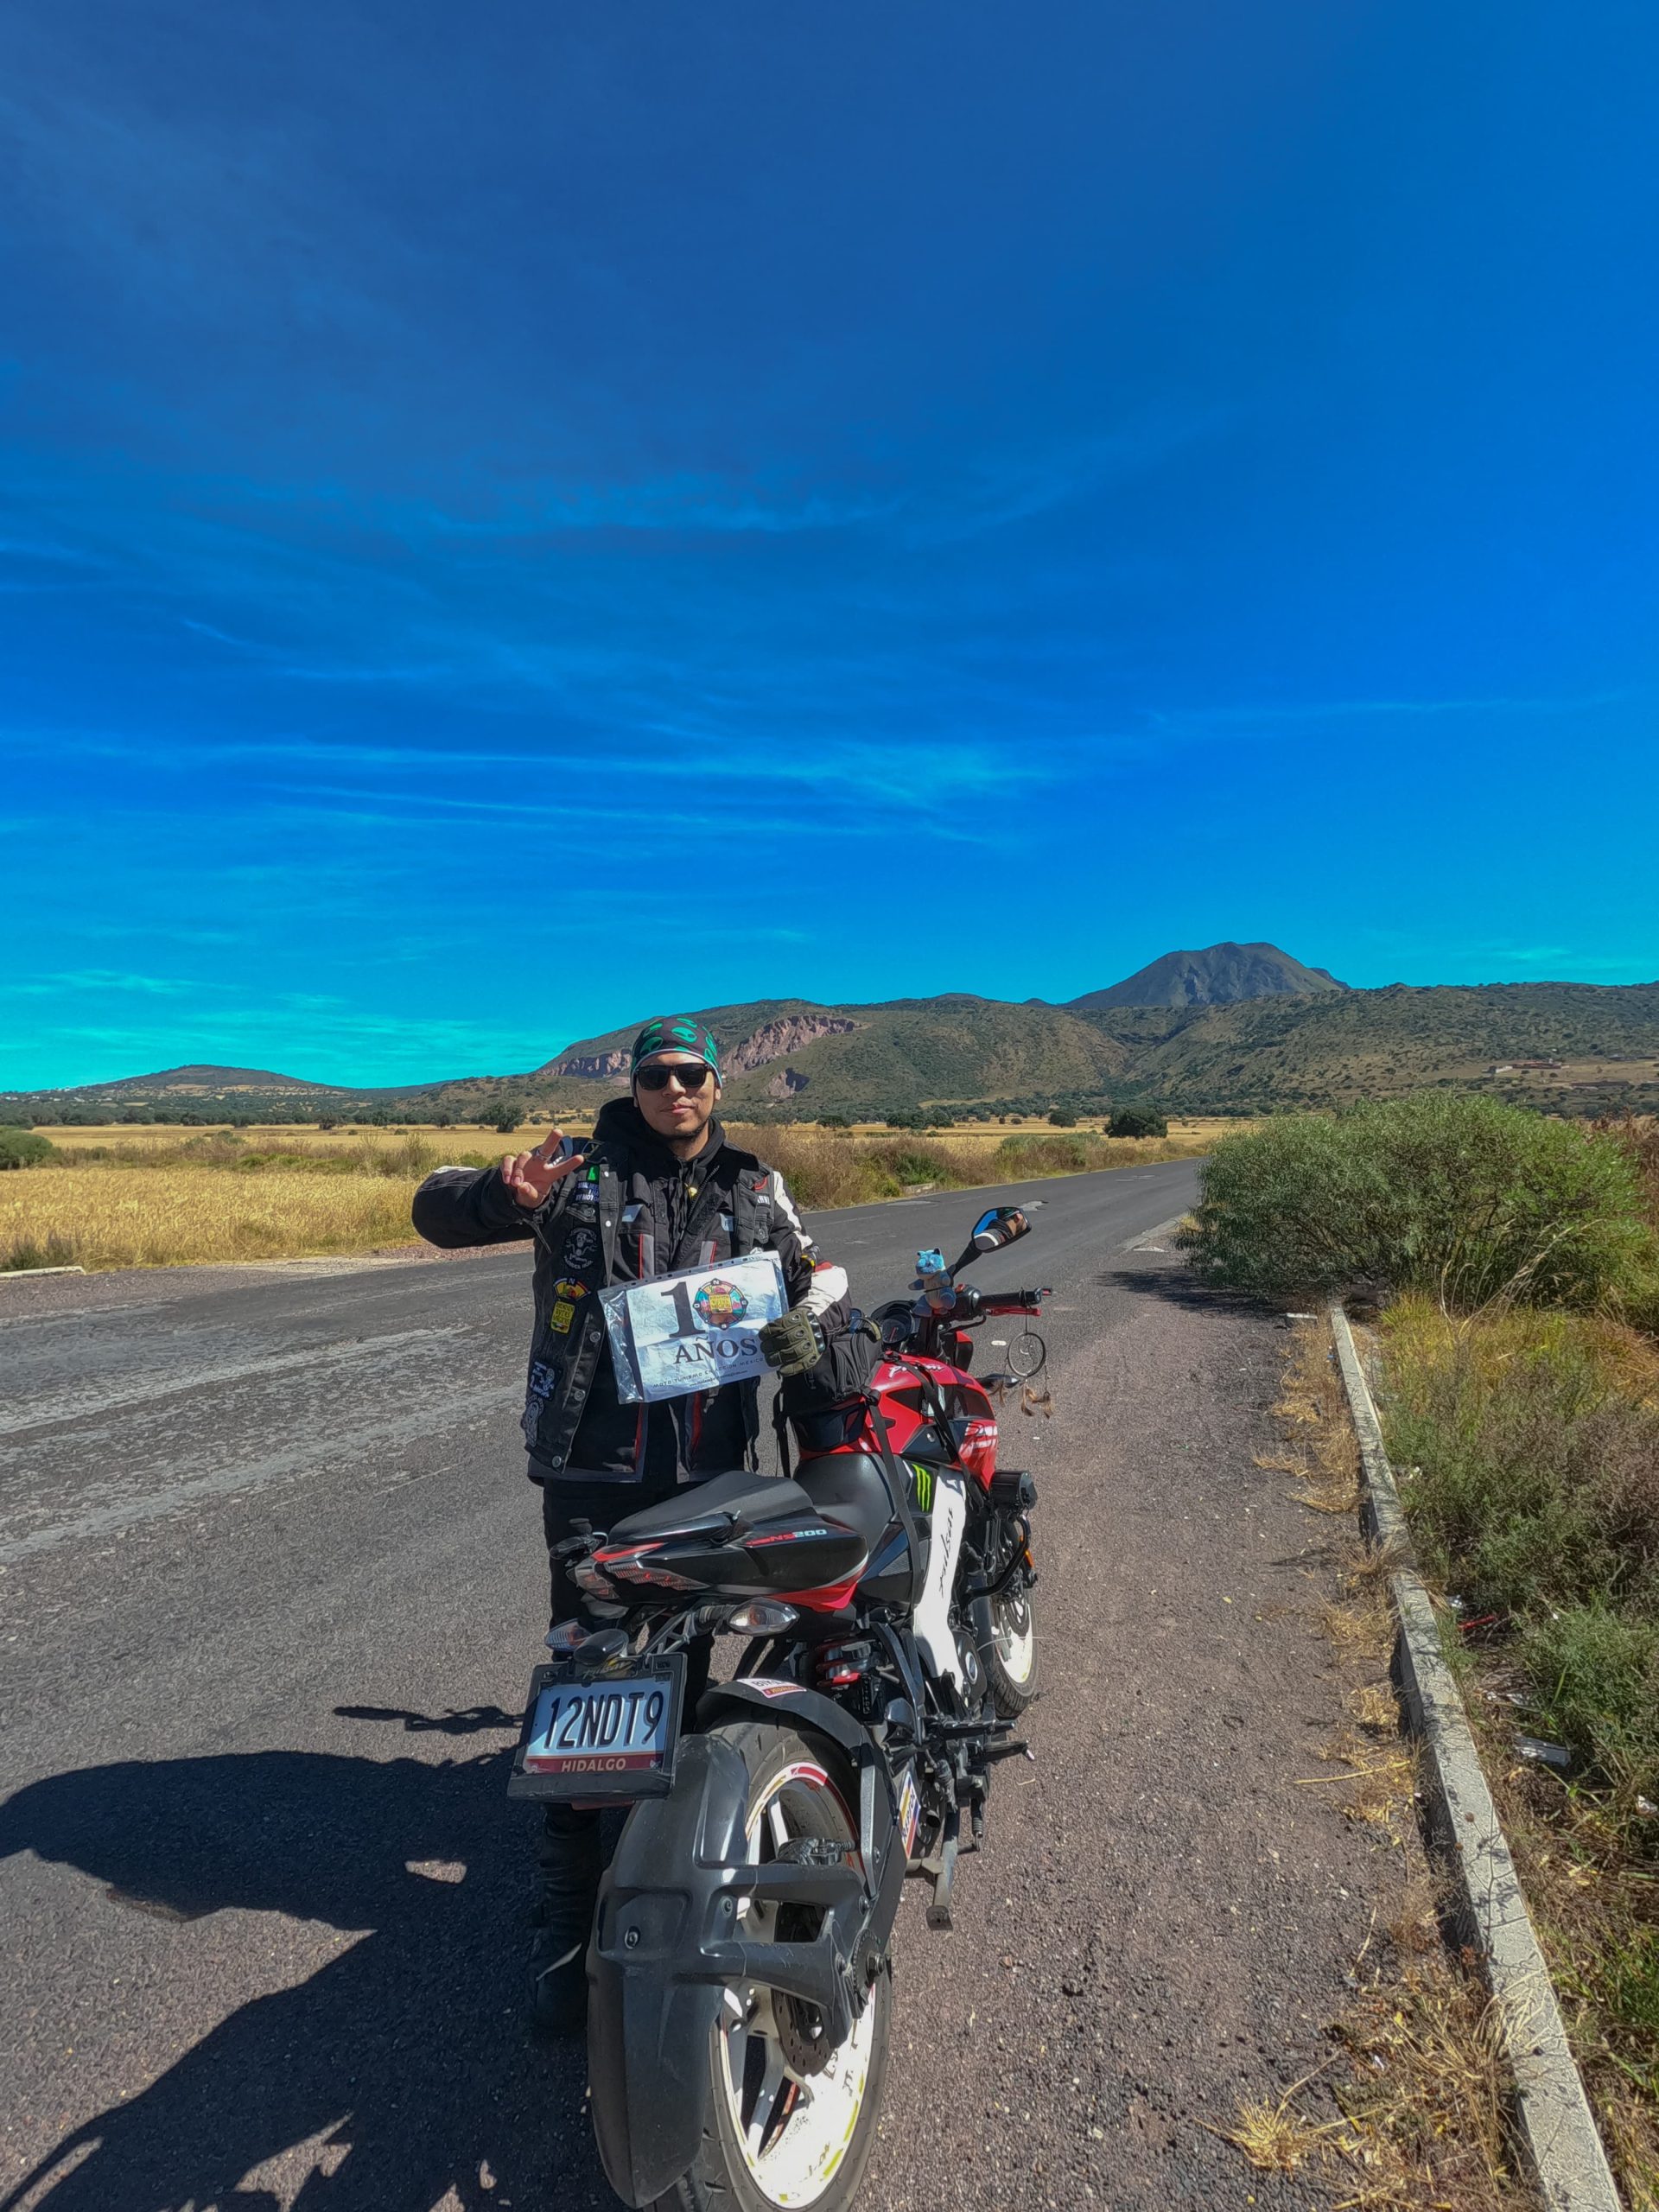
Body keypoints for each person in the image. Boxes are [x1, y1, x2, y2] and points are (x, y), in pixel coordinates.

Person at [410, 1014, 852, 2032]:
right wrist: (497, 1189)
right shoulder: (574, 1173)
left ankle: (667, 1871)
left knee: (691, 1673)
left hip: (710, 1472)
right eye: (656, 1076)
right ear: (636, 1085)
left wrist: (811, 1321)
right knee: (588, 1683)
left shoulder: (757, 1186)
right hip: (593, 1471)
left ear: (717, 1082)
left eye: (691, 1074)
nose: (674, 1091)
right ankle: (567, 1927)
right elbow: (436, 1209)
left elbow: (816, 1274)